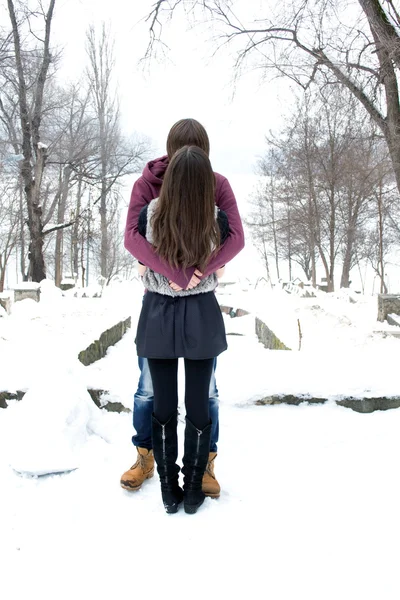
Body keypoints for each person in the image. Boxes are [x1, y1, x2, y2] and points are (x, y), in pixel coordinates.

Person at [121, 118, 244, 498]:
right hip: (159, 300)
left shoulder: (216, 183)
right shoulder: (148, 185)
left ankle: (204, 463)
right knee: (149, 390)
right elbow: (132, 237)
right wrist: (171, 272)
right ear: (169, 152)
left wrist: (199, 272)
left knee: (205, 392)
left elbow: (235, 236)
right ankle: (146, 456)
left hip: (197, 302)